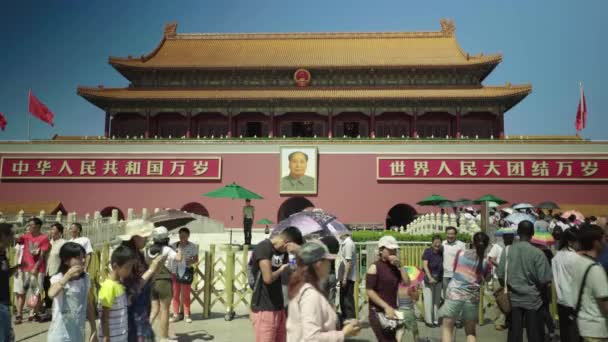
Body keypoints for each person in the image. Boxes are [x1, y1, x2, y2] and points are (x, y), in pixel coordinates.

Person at [286, 241, 361, 341]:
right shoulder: (310, 295)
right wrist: (343, 333)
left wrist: (339, 323)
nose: (329, 265)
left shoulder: (304, 288)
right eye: (327, 261)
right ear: (319, 264)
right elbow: (311, 338)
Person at [498, 220, 552, 342]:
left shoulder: (507, 251)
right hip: (533, 300)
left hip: (513, 300)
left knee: (514, 334)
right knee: (534, 335)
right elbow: (544, 279)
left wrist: (507, 287)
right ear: (533, 233)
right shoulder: (538, 253)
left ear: (517, 232)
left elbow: (500, 274)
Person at [250, 226, 304, 342]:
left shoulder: (283, 252)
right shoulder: (264, 248)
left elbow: (294, 270)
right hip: (264, 309)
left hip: (279, 307)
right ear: (287, 242)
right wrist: (281, 270)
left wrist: (293, 255)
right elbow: (268, 278)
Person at [118, 219, 166, 342]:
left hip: (142, 308)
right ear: (135, 237)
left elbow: (145, 281)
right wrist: (151, 269)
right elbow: (132, 287)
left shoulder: (137, 253)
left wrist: (156, 269)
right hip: (132, 311)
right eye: (144, 237)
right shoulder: (126, 255)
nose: (147, 239)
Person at [439, 232, 492, 342]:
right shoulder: (487, 262)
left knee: (447, 329)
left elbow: (455, 271)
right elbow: (486, 279)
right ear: (487, 245)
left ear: (473, 242)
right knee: (471, 331)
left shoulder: (461, 254)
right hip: (472, 297)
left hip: (454, 294)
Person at [47, 242, 97, 341]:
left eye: (83, 257)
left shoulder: (85, 278)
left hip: (78, 332)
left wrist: (94, 329)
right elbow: (51, 294)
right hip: (60, 333)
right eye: (78, 258)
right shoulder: (58, 278)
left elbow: (89, 305)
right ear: (66, 261)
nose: (83, 260)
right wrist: (67, 276)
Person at [366, 235, 411, 342]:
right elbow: (369, 290)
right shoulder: (374, 267)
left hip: (393, 309)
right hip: (378, 311)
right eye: (390, 250)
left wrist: (400, 267)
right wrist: (386, 307)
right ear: (381, 250)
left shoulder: (395, 266)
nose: (393, 252)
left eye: (394, 250)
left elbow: (407, 282)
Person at [569, 224, 608, 341]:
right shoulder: (595, 269)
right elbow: (606, 303)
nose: (605, 243)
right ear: (596, 243)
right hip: (596, 330)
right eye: (604, 239)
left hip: (583, 325)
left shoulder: (578, 261)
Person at [148, 227, 182, 342]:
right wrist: (179, 249)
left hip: (151, 281)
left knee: (154, 310)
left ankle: (142, 333)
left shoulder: (148, 249)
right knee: (165, 310)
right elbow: (179, 258)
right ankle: (164, 337)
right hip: (164, 281)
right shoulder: (167, 249)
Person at [14, 217, 50, 323]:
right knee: (21, 292)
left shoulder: (44, 238)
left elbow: (42, 255)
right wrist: (21, 228)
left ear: (38, 226)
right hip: (24, 268)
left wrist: (35, 267)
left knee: (35, 292)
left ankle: (33, 313)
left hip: (37, 270)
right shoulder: (26, 236)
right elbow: (16, 239)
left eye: (31, 225)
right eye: (28, 225)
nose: (29, 226)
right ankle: (19, 314)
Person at [98, 245, 137, 342]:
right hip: (112, 338)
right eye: (127, 267)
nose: (130, 271)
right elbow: (104, 317)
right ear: (115, 266)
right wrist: (106, 337)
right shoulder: (109, 287)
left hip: (121, 336)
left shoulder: (119, 284)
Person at [552, 228, 581, 342]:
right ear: (570, 242)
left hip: (561, 302)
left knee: (565, 334)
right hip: (574, 303)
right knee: (574, 335)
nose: (579, 244)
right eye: (578, 241)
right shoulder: (575, 258)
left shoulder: (556, 257)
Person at [170, 228, 199, 323]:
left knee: (186, 294)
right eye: (180, 235)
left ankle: (187, 314)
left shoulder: (193, 246)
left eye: (184, 236)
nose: (182, 237)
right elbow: (169, 258)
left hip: (186, 272)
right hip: (175, 272)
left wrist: (187, 261)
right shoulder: (173, 246)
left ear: (188, 236)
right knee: (175, 294)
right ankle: (175, 314)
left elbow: (195, 259)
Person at [488, 232, 515, 331]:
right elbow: (491, 259)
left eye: (511, 237)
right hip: (499, 277)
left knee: (510, 300)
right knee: (500, 300)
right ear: (503, 238)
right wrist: (501, 266)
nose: (509, 239)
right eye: (507, 237)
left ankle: (508, 320)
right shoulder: (497, 246)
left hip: (511, 277)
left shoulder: (514, 247)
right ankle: (499, 322)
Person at [0, 223, 18, 342]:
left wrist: (18, 267)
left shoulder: (3, 254)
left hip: (4, 303)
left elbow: (5, 274)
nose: (14, 238)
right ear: (2, 236)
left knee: (7, 337)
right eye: (11, 235)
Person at [44, 222, 66, 319]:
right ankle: (49, 312)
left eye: (54, 229)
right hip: (46, 271)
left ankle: (57, 311)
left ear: (60, 232)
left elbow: (65, 258)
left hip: (56, 272)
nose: (51, 231)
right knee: (46, 291)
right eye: (51, 229)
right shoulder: (48, 243)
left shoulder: (63, 243)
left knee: (56, 292)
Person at [422, 234, 443, 327]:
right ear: (432, 243)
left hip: (438, 279)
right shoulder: (428, 251)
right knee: (428, 300)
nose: (437, 244)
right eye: (435, 242)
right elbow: (425, 266)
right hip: (428, 279)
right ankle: (429, 320)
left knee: (436, 301)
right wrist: (430, 277)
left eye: (439, 242)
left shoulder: (441, 252)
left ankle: (436, 319)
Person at [441, 227, 466, 298]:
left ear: (456, 235)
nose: (450, 236)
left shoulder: (461, 245)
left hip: (457, 275)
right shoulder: (442, 244)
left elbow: (464, 260)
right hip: (445, 274)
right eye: (448, 234)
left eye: (452, 234)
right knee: (446, 295)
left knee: (456, 296)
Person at [338, 232, 357, 322]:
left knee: (347, 298)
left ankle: (350, 319)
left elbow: (348, 262)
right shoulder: (345, 243)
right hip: (345, 275)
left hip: (348, 276)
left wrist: (345, 277)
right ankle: (347, 318)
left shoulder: (348, 244)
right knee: (344, 297)